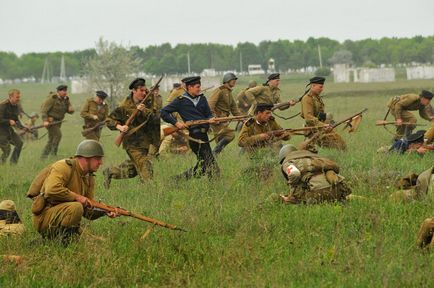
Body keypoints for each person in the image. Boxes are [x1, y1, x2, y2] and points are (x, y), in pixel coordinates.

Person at [30, 140, 116, 245]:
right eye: (97, 159)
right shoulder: (63, 167)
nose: (101, 162)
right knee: (76, 207)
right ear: (85, 158)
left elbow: (87, 210)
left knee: (98, 242)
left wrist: (105, 211)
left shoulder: (89, 176)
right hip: (45, 218)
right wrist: (77, 197)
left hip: (66, 216)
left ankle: (66, 238)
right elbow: (51, 189)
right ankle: (59, 241)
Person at [160, 76, 220, 180]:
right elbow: (163, 112)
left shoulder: (202, 98)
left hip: (204, 136)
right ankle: (215, 185)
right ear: (190, 87)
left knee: (204, 166)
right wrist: (176, 123)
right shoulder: (180, 100)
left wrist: (212, 119)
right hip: (195, 137)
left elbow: (208, 114)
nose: (199, 89)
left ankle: (177, 179)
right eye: (197, 87)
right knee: (211, 165)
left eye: (199, 86)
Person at [104, 78, 155, 188]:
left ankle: (110, 171)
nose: (144, 93)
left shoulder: (147, 101)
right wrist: (120, 127)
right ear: (134, 91)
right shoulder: (124, 106)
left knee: (132, 171)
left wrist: (144, 110)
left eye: (145, 90)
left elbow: (154, 116)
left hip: (146, 143)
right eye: (141, 90)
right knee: (145, 166)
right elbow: (109, 120)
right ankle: (150, 191)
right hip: (133, 144)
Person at [278, 144, 351, 204]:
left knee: (276, 198)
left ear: (283, 158)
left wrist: (292, 192)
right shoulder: (312, 157)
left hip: (315, 195)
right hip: (337, 191)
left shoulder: (288, 162)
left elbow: (294, 174)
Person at [300, 76, 346, 150]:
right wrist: (323, 125)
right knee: (339, 147)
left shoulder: (317, 97)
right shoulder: (307, 99)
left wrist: (329, 122)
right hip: (313, 131)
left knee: (342, 146)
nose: (322, 89)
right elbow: (308, 117)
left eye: (322, 87)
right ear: (313, 86)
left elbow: (319, 115)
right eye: (320, 87)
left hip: (321, 128)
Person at [208, 72, 242, 154]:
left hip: (223, 120)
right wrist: (214, 117)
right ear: (227, 80)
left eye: (235, 80)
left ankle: (214, 155)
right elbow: (210, 104)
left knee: (220, 138)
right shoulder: (219, 90)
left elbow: (234, 108)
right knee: (230, 135)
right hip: (217, 120)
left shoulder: (229, 92)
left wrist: (242, 118)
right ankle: (214, 153)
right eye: (232, 80)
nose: (234, 81)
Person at [40, 85, 74, 159]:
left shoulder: (65, 99)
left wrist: (71, 110)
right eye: (63, 91)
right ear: (58, 91)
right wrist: (45, 120)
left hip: (58, 122)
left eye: (65, 91)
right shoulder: (52, 99)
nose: (65, 92)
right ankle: (53, 155)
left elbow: (69, 110)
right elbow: (43, 110)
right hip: (51, 122)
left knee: (51, 139)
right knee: (58, 135)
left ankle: (43, 157)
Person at [0, 89, 24, 164]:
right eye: (17, 97)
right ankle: (1, 165)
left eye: (19, 97)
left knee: (19, 143)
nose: (18, 99)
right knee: (7, 150)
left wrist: (22, 127)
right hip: (1, 131)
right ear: (11, 97)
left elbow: (15, 119)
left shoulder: (16, 106)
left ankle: (13, 164)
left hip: (8, 130)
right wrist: (8, 121)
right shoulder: (2, 106)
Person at [149, 84, 163, 155]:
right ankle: (150, 153)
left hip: (157, 120)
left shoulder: (159, 98)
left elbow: (160, 109)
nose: (156, 92)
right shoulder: (148, 98)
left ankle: (156, 153)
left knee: (158, 137)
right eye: (154, 90)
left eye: (157, 90)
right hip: (150, 121)